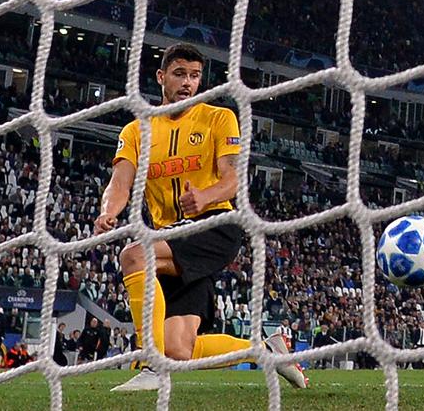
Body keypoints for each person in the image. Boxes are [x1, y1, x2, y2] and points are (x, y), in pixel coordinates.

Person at [94, 43, 307, 392]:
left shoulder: (219, 118)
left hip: (214, 225)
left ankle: (151, 366)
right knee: (179, 349)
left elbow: (233, 179)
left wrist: (203, 197)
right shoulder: (136, 132)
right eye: (180, 74)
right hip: (171, 236)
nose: (188, 83)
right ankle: (267, 351)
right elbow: (120, 182)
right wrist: (108, 213)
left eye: (194, 76)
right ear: (161, 76)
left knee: (133, 255)